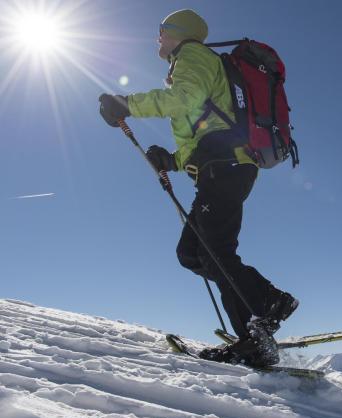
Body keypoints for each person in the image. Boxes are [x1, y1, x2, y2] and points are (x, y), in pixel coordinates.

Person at [98, 9, 298, 366]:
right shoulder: (194, 62)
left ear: (179, 32)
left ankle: (262, 317)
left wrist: (125, 104)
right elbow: (205, 128)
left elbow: (182, 101)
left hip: (227, 167)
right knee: (192, 254)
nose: (158, 37)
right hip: (219, 168)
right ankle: (260, 310)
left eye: (162, 30)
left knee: (216, 251)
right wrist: (172, 161)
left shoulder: (193, 56)